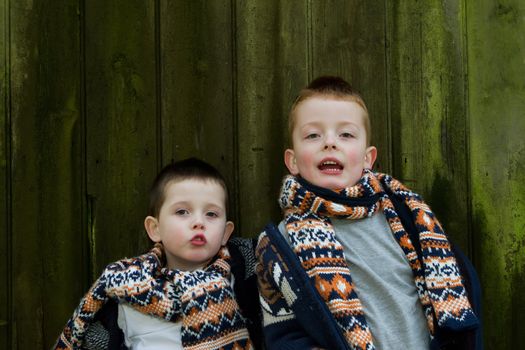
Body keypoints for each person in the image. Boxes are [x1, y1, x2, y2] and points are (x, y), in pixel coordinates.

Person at [255, 76, 482, 350]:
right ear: (292, 161)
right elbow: (284, 334)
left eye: (346, 135)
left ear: (367, 158)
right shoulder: (281, 246)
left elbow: (451, 286)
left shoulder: (405, 215)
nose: (329, 143)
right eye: (313, 135)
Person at [55, 157, 261, 350]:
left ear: (226, 233)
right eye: (182, 212)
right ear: (155, 229)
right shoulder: (129, 288)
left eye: (211, 214)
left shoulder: (243, 278)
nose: (199, 222)